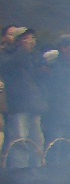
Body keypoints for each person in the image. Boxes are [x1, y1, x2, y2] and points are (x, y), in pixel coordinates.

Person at [0, 27, 47, 164]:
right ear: (18, 41)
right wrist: (23, 50)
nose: (31, 41)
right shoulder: (6, 54)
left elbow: (39, 78)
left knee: (37, 141)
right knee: (19, 141)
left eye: (32, 38)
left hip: (34, 104)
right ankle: (19, 170)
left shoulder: (34, 56)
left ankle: (37, 169)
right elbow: (11, 65)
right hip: (18, 106)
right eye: (26, 38)